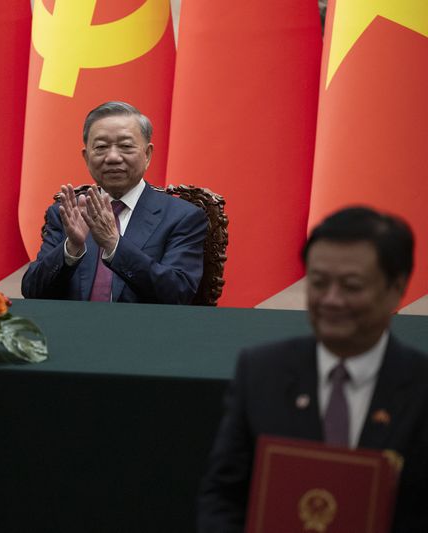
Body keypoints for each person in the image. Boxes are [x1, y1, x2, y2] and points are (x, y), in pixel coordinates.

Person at [198, 206, 428, 532]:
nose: (331, 300)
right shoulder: (262, 373)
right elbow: (223, 496)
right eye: (319, 283)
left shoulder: (420, 386)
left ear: (396, 288)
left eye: (351, 286)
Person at [21, 101, 208, 304]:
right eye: (101, 147)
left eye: (125, 146)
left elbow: (178, 293)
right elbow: (32, 292)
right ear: (86, 157)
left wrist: (114, 244)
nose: (112, 157)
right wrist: (71, 248)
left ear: (147, 155)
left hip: (144, 333)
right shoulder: (66, 214)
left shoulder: (182, 217)